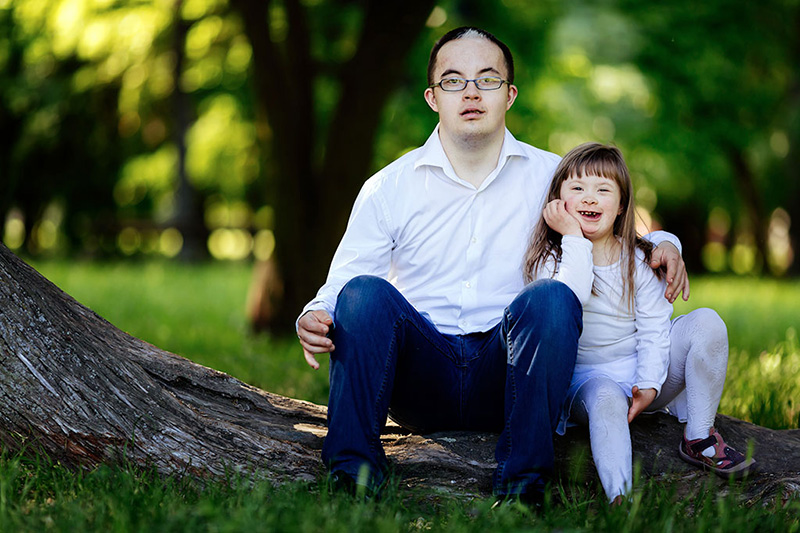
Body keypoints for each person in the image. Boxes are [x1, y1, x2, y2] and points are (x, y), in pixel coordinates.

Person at [296, 27, 688, 504]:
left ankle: (523, 490)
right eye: (454, 81)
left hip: (511, 371)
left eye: (487, 80)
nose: (471, 93)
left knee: (550, 298)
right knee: (361, 293)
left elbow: (616, 226)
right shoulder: (389, 186)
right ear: (432, 97)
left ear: (510, 94)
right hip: (421, 376)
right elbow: (342, 279)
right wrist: (315, 312)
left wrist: (665, 243)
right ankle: (353, 482)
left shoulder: (552, 176)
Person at [523, 142, 756, 504]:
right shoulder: (549, 260)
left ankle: (698, 436)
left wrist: (648, 383)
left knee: (706, 322)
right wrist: (572, 237)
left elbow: (654, 327)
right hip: (588, 381)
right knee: (606, 400)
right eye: (577, 188)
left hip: (644, 370)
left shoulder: (639, 259)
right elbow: (573, 295)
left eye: (603, 190)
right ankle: (622, 500)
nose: (590, 198)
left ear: (621, 206)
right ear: (557, 202)